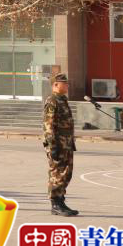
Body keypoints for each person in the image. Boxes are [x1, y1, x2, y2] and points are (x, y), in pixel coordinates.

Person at [43, 72, 78, 216]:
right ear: (56, 85)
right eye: (65, 83)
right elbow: (48, 125)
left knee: (66, 173)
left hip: (67, 144)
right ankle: (55, 204)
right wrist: (52, 145)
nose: (67, 85)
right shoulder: (52, 101)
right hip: (57, 144)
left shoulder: (63, 100)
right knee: (57, 173)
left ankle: (61, 200)